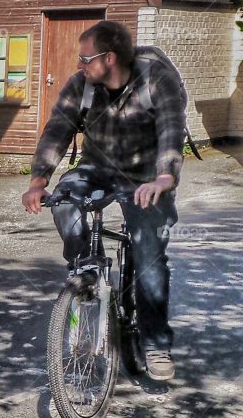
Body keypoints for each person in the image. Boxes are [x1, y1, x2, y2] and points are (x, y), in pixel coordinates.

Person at [21, 20, 184, 382]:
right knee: (64, 199)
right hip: (96, 167)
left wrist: (165, 176)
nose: (79, 65)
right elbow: (57, 129)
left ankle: (156, 342)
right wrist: (38, 181)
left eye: (85, 58)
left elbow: (171, 129)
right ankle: (85, 273)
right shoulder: (82, 85)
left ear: (108, 58)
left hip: (145, 177)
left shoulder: (156, 80)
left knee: (149, 257)